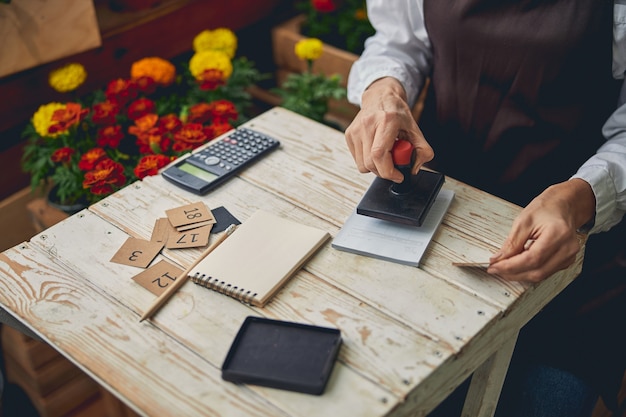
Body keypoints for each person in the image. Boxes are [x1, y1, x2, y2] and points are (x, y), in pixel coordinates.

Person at [345, 1, 626, 416]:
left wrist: (575, 198)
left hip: (574, 240)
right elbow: (399, 42)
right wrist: (383, 91)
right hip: (440, 221)